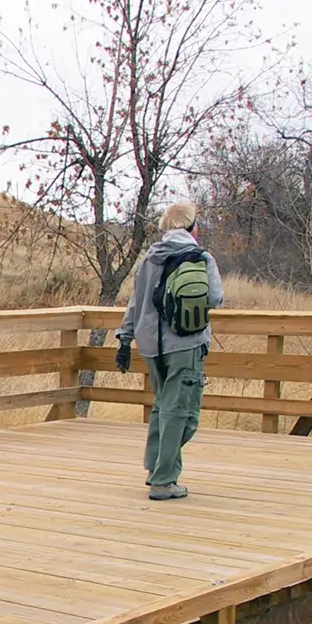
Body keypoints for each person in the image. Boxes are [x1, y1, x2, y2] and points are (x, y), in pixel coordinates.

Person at [113, 203, 224, 500]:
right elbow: (215, 298)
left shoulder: (149, 259)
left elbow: (135, 303)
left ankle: (156, 468)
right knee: (183, 413)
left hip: (150, 345)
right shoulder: (201, 258)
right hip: (186, 344)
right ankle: (164, 481)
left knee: (163, 407)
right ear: (192, 227)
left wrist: (124, 339)